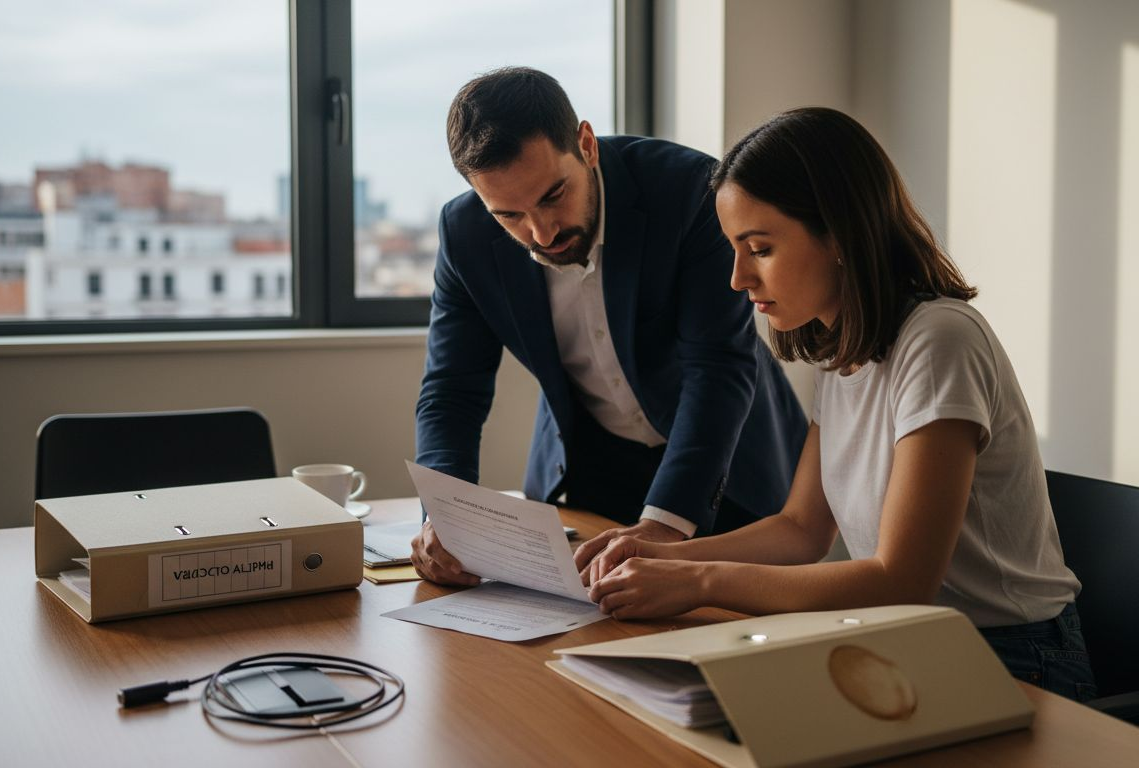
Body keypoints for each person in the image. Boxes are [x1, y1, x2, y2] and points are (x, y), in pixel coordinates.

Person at [585, 107, 1098, 701]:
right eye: (733, 249)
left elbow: (901, 580)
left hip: (1010, 657)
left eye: (759, 248)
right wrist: (664, 555)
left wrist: (699, 579)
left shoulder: (939, 341)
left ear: (838, 233)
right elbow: (802, 529)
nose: (737, 278)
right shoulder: (845, 350)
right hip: (910, 638)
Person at [411, 68, 807, 587]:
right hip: (589, 474)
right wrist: (448, 512)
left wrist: (665, 523)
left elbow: (717, 367)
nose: (541, 232)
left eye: (553, 195)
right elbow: (451, 390)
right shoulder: (463, 233)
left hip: (723, 471)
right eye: (509, 215)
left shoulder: (689, 190)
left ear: (586, 144)